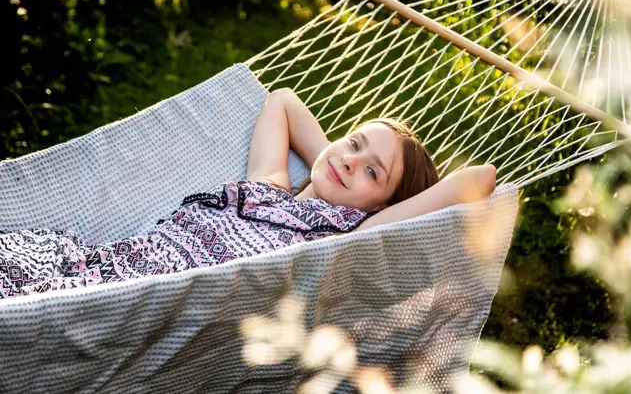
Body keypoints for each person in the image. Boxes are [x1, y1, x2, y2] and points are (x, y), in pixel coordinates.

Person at [0, 88, 496, 299]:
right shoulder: (268, 188)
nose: (350, 158)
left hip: (125, 299)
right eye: (353, 141)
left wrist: (359, 196)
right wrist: (337, 165)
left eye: (374, 172)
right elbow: (282, 101)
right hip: (94, 264)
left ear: (386, 207)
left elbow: (479, 180)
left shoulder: (349, 236)